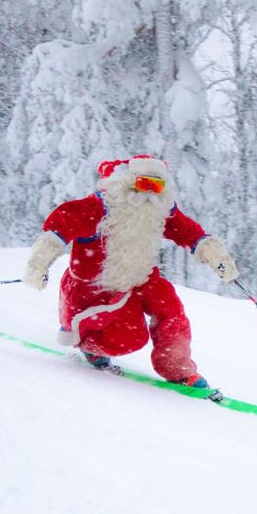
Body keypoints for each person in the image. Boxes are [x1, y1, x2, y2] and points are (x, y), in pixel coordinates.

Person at [22, 154, 238, 388]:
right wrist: (39, 262)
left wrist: (214, 254)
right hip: (96, 287)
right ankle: (90, 346)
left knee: (170, 308)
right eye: (144, 184)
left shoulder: (158, 208)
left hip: (141, 276)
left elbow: (188, 232)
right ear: (127, 181)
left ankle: (178, 369)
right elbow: (60, 223)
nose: (149, 194)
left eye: (157, 186)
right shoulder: (97, 208)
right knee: (131, 338)